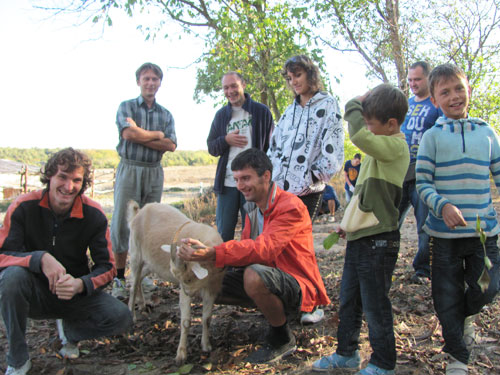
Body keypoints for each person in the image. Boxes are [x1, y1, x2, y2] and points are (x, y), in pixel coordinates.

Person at [178, 148, 330, 364]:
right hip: (269, 276)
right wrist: (206, 256)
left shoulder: (291, 206)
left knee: (253, 276)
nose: (240, 186)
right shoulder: (253, 210)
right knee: (203, 283)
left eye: (246, 178)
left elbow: (263, 249)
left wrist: (214, 253)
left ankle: (282, 337)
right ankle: (271, 309)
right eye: (237, 179)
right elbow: (246, 249)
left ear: (266, 176)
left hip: (298, 284)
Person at [0, 148, 132, 375]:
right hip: (33, 291)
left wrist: (81, 284)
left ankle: (69, 332)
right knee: (11, 278)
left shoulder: (94, 214)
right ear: (49, 176)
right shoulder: (23, 206)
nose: (68, 187)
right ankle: (19, 358)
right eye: (62, 177)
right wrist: (39, 258)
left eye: (76, 180)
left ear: (83, 183)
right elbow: (3, 255)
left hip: (73, 293)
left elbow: (109, 267)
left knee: (122, 316)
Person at [312, 84, 409, 375]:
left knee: (375, 303)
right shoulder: (376, 154)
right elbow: (364, 198)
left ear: (391, 124)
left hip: (379, 240)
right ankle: (347, 353)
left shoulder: (396, 147)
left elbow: (356, 134)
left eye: (370, 124)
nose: (365, 130)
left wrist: (355, 103)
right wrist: (346, 225)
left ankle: (383, 363)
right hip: (361, 237)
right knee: (350, 299)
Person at [415, 64, 500, 375]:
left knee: (488, 287)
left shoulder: (487, 132)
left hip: (483, 233)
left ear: (469, 91)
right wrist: (443, 205)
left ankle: (463, 317)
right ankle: (457, 357)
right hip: (444, 235)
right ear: (435, 100)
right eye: (445, 92)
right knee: (445, 294)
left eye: (459, 89)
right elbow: (422, 182)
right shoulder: (432, 137)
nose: (454, 96)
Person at [110, 62, 177, 299]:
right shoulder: (126, 106)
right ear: (138, 81)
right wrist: (156, 135)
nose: (150, 83)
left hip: (153, 170)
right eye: (146, 79)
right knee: (121, 221)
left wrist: (144, 136)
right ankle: (119, 276)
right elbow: (127, 133)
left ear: (160, 83)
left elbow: (170, 145)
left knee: (149, 223)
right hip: (130, 168)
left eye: (155, 79)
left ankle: (142, 274)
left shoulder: (165, 114)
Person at [267, 55, 344, 220]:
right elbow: (273, 147)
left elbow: (333, 148)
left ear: (310, 74)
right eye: (289, 78)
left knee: (298, 242)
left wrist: (312, 176)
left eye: (298, 75)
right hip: (279, 192)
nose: (293, 81)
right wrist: (270, 178)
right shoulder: (289, 112)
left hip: (308, 192)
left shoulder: (328, 104)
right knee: (277, 242)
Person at [207, 71, 274, 242]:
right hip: (228, 183)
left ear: (243, 85)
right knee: (223, 233)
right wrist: (226, 140)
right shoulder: (221, 115)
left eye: (234, 86)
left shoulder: (261, 112)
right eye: (226, 88)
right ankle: (225, 268)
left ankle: (249, 268)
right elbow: (212, 147)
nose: (230, 91)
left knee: (252, 232)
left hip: (253, 183)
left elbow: (271, 148)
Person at [398, 61, 442, 283]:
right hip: (400, 172)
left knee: (424, 224)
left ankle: (423, 269)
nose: (413, 84)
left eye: (418, 79)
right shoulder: (406, 104)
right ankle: (385, 264)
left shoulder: (436, 105)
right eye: (410, 80)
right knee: (390, 222)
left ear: (428, 78)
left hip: (423, 174)